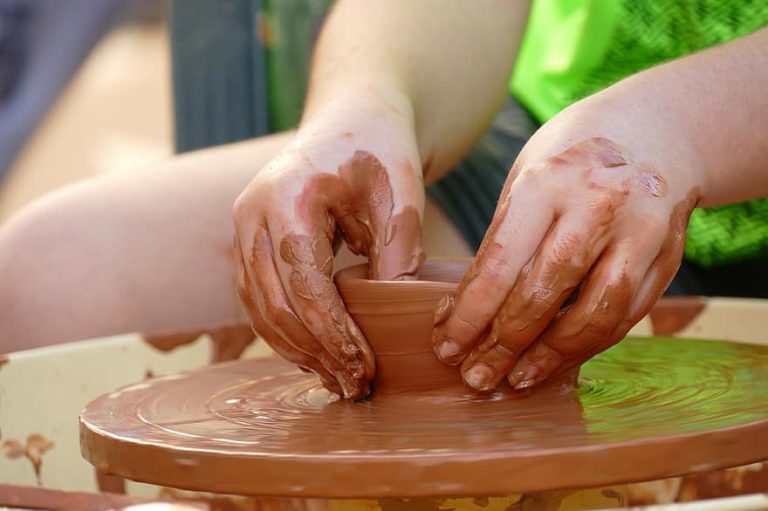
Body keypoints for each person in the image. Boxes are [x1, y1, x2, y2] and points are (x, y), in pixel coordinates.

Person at [1, 1, 766, 400]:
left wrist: (680, 129)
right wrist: (365, 106)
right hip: (573, 146)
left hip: (687, 133)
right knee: (57, 277)